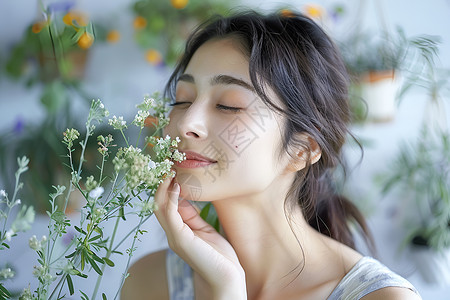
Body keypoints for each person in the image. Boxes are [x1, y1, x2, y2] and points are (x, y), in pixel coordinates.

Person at [121, 10, 420, 300]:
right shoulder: (152, 282)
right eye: (183, 100)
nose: (186, 123)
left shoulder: (382, 297)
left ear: (303, 149)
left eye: (228, 105)